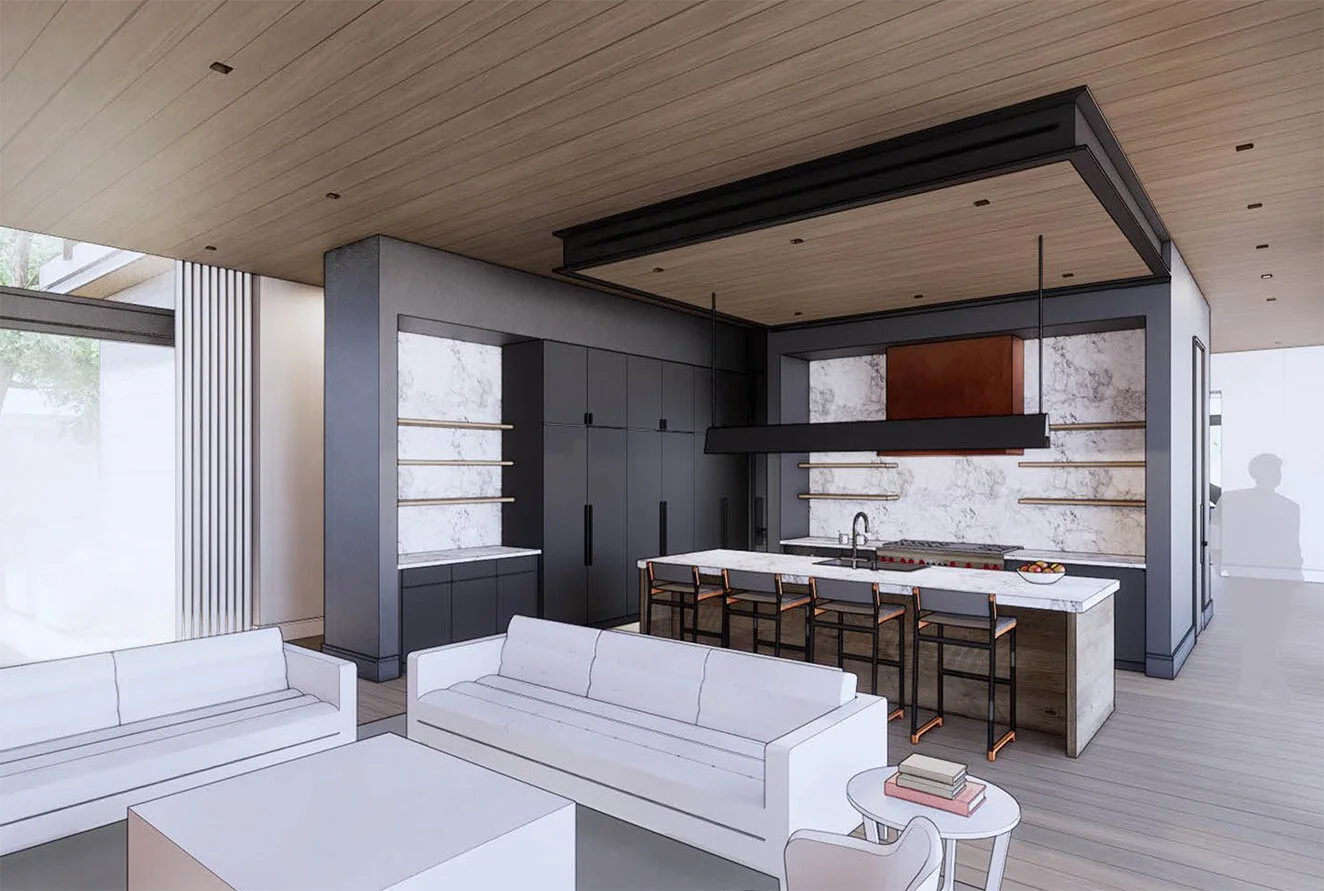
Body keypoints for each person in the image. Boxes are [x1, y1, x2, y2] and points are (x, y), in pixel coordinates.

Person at [1210, 454, 1301, 703]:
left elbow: (1293, 545)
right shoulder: (1234, 500)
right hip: (1250, 577)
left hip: (1276, 577)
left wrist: (1296, 573)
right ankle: (1263, 681)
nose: (1277, 475)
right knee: (1257, 630)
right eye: (1275, 470)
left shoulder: (1290, 506)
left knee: (1268, 631)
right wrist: (1220, 564)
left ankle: (1255, 681)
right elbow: (1216, 532)